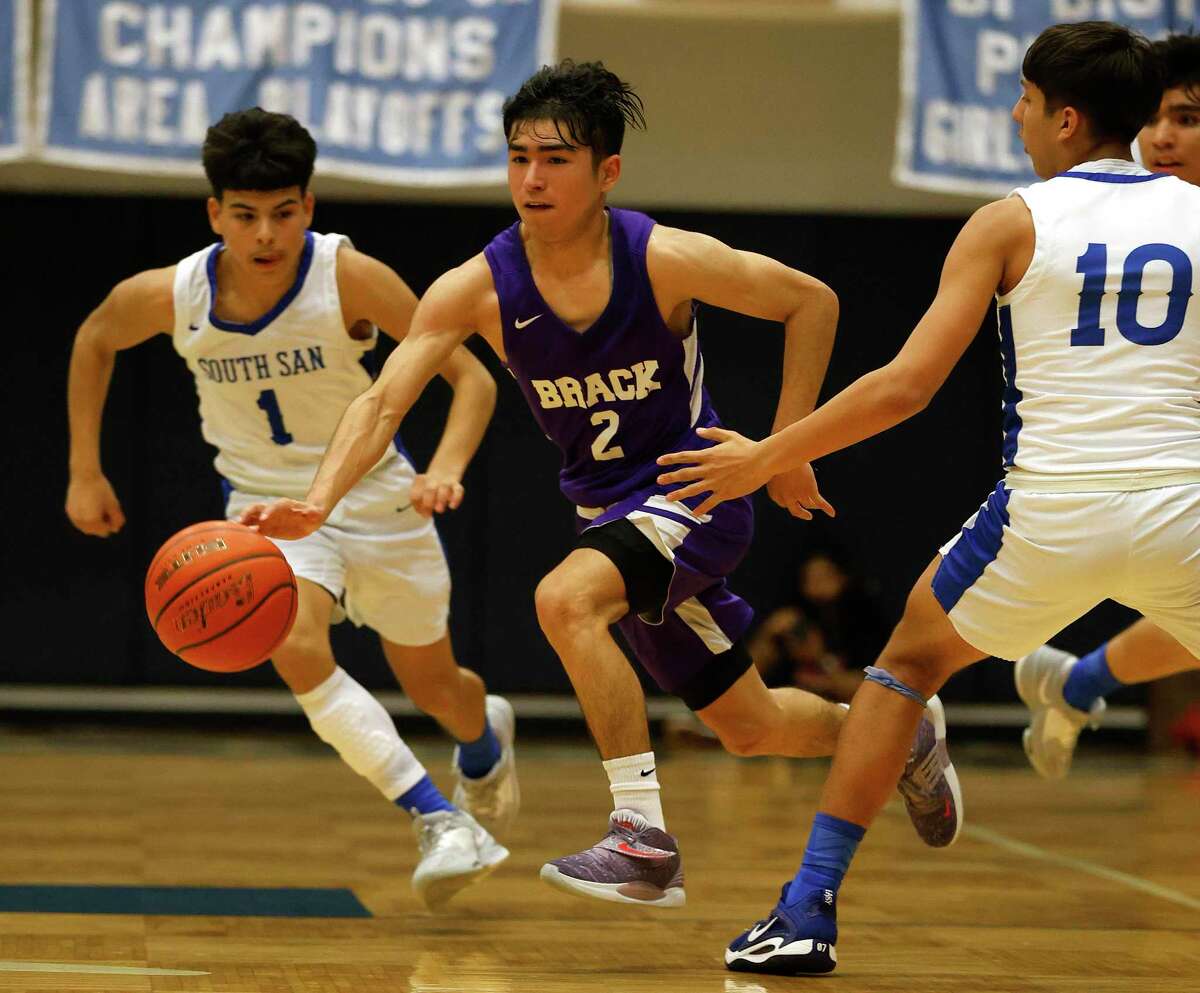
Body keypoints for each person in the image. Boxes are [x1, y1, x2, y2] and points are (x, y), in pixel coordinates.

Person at [239, 60, 962, 911]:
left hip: (696, 489)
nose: (532, 179)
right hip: (610, 514)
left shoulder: (660, 258)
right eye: (518, 158)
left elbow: (812, 300)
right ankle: (905, 734)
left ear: (605, 171)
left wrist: (784, 447)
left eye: (555, 159)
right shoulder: (476, 287)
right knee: (749, 724)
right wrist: (320, 500)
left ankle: (641, 837)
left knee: (565, 600)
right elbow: (384, 397)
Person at [658, 20, 1197, 975]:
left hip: (1053, 510)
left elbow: (906, 386)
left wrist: (768, 455)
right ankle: (1083, 680)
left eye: (1026, 103)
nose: (1017, 118)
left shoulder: (1009, 220)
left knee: (904, 670)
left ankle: (808, 908)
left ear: (1067, 119)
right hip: (1187, 509)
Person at [64, 108, 518, 911]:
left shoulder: (350, 277)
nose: (265, 234)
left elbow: (473, 378)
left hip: (378, 500)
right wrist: (83, 468)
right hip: (266, 514)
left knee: (440, 688)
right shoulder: (178, 293)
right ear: (215, 214)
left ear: (308, 206)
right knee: (293, 642)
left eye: (282, 213)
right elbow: (95, 337)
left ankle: (483, 746)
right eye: (245, 215)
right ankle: (441, 821)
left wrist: (443, 469)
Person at [1015, 32, 1200, 780]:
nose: (1162, 135)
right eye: (1153, 117)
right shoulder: (1086, 213)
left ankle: (1078, 681)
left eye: (1187, 118)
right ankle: (1079, 680)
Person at [748, 548, 888, 704]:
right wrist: (768, 634)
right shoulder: (797, 619)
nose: (818, 586)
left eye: (825, 577)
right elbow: (745, 679)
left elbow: (875, 689)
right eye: (810, 578)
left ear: (843, 577)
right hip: (788, 709)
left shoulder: (865, 621)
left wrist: (819, 658)